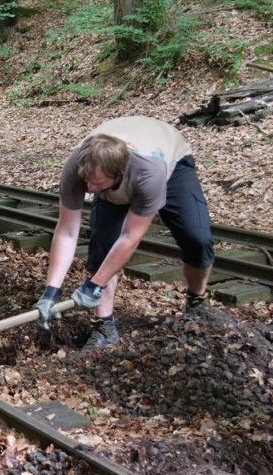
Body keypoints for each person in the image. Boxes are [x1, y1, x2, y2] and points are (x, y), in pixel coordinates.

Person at [34, 116, 215, 351]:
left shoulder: (150, 174)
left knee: (196, 239)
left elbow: (130, 237)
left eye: (97, 184)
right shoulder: (76, 169)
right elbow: (67, 231)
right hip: (120, 171)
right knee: (102, 248)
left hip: (171, 162)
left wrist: (94, 286)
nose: (90, 189)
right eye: (87, 181)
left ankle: (196, 298)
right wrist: (51, 292)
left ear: (117, 173)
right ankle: (104, 326)